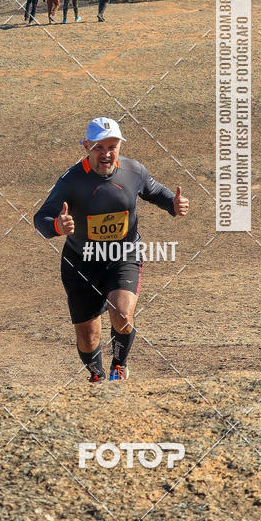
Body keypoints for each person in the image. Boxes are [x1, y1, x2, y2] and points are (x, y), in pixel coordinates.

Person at [34, 117, 189, 382]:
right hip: (81, 263)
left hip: (123, 256)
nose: (106, 154)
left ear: (120, 146)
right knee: (87, 335)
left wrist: (173, 205)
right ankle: (97, 376)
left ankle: (119, 367)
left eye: (112, 146)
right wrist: (58, 227)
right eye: (98, 147)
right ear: (85, 146)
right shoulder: (71, 181)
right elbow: (41, 219)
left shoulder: (133, 170)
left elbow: (155, 192)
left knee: (121, 313)